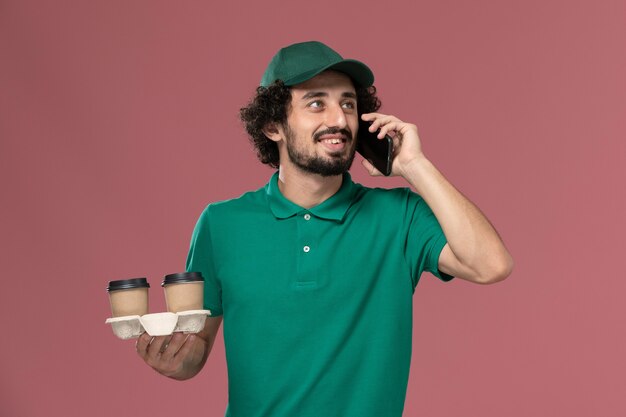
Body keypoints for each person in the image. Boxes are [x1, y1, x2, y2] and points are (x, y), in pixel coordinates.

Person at [136, 41, 513, 417]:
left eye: (347, 104)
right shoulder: (221, 224)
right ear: (272, 125)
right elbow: (196, 348)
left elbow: (491, 265)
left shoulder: (400, 217)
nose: (338, 119)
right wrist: (173, 361)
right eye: (317, 103)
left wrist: (415, 166)